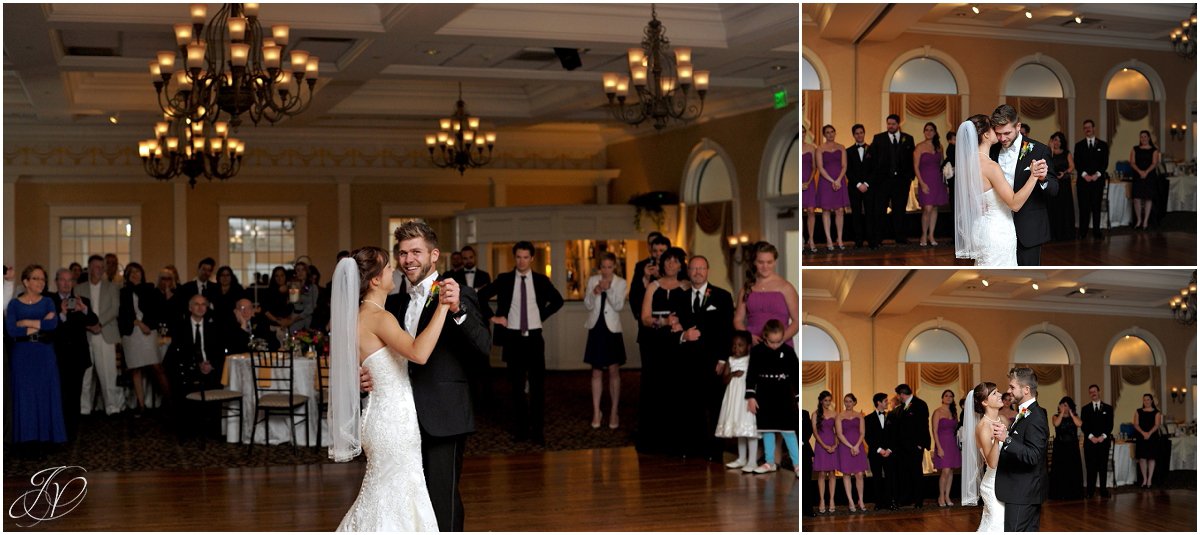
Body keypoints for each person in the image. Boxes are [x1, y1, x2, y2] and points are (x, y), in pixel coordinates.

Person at [363, 221, 490, 532]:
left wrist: (457, 308)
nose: (409, 259)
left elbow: (484, 347)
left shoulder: (458, 293)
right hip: (401, 420)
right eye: (403, 253)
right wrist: (365, 373)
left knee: (441, 502)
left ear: (435, 255)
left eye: (416, 251)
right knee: (409, 502)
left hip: (443, 414)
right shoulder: (394, 302)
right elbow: (386, 354)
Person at [329, 246, 456, 532]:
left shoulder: (357, 317)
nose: (395, 271)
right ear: (375, 280)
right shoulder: (379, 317)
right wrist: (443, 307)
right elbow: (418, 353)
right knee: (395, 495)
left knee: (385, 494)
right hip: (394, 422)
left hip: (378, 418)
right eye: (388, 268)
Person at [478, 241, 564, 446]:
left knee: (537, 388)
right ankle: (521, 430)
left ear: (532, 258)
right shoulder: (505, 280)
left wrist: (540, 315)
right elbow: (481, 296)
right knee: (516, 388)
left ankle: (538, 431)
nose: (522, 261)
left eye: (526, 257)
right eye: (518, 257)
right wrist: (494, 318)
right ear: (514, 258)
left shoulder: (541, 280)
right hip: (513, 338)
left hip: (534, 338)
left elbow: (558, 301)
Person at [953, 114, 1046, 267]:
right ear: (986, 134)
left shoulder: (966, 164)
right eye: (993, 128)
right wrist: (1034, 176)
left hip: (981, 228)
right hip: (997, 231)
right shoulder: (990, 166)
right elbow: (1014, 204)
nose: (997, 132)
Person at [632, 246, 688, 454]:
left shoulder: (686, 287)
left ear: (682, 264)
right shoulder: (653, 287)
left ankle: (677, 438)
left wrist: (680, 324)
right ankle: (653, 438)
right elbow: (644, 318)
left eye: (675, 261)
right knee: (654, 385)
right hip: (654, 342)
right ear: (662, 263)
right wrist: (663, 321)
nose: (671, 264)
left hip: (678, 342)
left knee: (676, 386)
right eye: (668, 260)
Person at [988, 104, 1058, 266]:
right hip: (998, 226)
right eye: (998, 134)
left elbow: (1054, 189)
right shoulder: (991, 150)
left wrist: (1043, 178)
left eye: (1007, 133)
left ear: (1018, 126)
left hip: (1028, 228)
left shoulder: (1039, 150)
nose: (1002, 138)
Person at [6, 265, 67, 445]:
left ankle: (46, 439)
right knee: (24, 396)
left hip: (44, 353)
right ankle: (26, 439)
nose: (41, 282)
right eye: (36, 278)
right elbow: (11, 330)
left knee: (45, 394)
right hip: (22, 355)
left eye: (43, 279)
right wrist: (40, 323)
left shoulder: (48, 302)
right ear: (25, 282)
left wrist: (26, 322)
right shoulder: (14, 304)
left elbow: (53, 325)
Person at [992, 367, 1049, 531]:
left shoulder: (1036, 416)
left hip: (1023, 492)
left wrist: (1007, 439)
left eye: (1012, 387)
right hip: (1020, 490)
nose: (1008, 391)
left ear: (1026, 390)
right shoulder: (1025, 412)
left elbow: (1034, 456)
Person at [45, 268, 96, 441]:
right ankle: (57, 431)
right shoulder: (49, 301)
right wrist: (62, 314)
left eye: (69, 280)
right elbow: (49, 329)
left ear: (73, 283)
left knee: (74, 396)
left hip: (78, 358)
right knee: (58, 394)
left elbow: (94, 322)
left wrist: (84, 310)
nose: (66, 284)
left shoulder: (82, 301)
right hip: (57, 357)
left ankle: (71, 432)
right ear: (56, 281)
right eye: (63, 280)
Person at [746, 319, 799, 478]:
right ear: (764, 337)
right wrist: (751, 397)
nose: (776, 345)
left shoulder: (788, 352)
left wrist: (798, 398)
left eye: (779, 341)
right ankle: (769, 462)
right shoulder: (756, 352)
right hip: (764, 395)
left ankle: (797, 465)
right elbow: (751, 375)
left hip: (783, 395)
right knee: (767, 430)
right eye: (772, 342)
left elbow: (795, 376)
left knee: (788, 431)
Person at [582, 252, 627, 429]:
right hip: (596, 328)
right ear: (599, 267)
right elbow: (587, 305)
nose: (606, 270)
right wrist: (595, 292)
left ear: (614, 266)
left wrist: (608, 289)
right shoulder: (593, 280)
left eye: (609, 267)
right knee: (596, 372)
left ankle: (614, 411)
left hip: (612, 330)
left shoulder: (621, 283)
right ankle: (596, 411)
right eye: (603, 267)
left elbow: (618, 306)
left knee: (614, 371)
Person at [118, 262, 168, 416]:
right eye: (131, 272)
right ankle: (141, 406)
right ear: (127, 275)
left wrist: (146, 325)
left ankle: (170, 401)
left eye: (137, 271)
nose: (134, 274)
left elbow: (157, 311)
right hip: (131, 332)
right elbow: (122, 314)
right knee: (135, 369)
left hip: (148, 331)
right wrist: (137, 323)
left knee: (156, 367)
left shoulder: (150, 289)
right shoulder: (123, 292)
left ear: (142, 273)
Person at [77, 254, 124, 415]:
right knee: (86, 375)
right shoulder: (79, 288)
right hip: (86, 335)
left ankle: (113, 407)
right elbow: (76, 311)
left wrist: (99, 324)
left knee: (108, 374)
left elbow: (114, 309)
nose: (99, 270)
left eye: (101, 267)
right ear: (89, 268)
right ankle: (84, 408)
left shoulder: (111, 287)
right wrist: (89, 325)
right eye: (96, 266)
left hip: (106, 333)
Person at [734, 242, 798, 347]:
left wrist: (777, 341)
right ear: (754, 262)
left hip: (781, 346)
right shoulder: (746, 288)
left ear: (775, 262)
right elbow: (738, 320)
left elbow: (797, 321)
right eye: (761, 262)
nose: (765, 266)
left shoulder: (786, 287)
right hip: (753, 346)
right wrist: (748, 337)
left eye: (769, 262)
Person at [965, 381, 1008, 532]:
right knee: (998, 525)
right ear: (984, 402)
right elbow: (992, 463)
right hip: (993, 484)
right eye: (994, 393)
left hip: (1007, 480)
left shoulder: (1002, 420)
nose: (1000, 395)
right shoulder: (983, 427)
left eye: (998, 392)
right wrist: (997, 439)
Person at [867, 114, 916, 246]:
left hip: (901, 182)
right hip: (883, 182)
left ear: (898, 124)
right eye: (888, 123)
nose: (890, 126)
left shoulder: (908, 139)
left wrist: (910, 177)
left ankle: (900, 237)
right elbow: (872, 159)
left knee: (899, 210)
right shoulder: (878, 139)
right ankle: (878, 238)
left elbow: (912, 159)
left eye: (893, 124)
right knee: (880, 210)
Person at [715, 331, 757, 469]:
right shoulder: (730, 360)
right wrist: (733, 374)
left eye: (740, 345)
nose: (736, 349)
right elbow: (724, 379)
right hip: (733, 397)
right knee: (739, 428)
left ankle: (752, 461)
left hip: (746, 398)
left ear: (748, 346)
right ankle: (741, 458)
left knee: (749, 428)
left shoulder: (751, 360)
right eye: (734, 345)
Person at [892, 383, 930, 508]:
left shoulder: (920, 404)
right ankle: (907, 498)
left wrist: (920, 444)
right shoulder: (901, 407)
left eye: (899, 395)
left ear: (902, 394)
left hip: (915, 447)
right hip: (902, 448)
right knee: (904, 474)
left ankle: (919, 500)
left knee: (916, 473)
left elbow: (923, 425)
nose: (898, 397)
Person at [914, 122, 949, 247]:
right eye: (926, 130)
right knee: (927, 208)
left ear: (935, 132)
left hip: (938, 180)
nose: (928, 132)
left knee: (935, 208)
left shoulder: (939, 146)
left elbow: (942, 164)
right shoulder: (919, 147)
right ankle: (923, 234)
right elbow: (916, 167)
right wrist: (922, 183)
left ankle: (931, 235)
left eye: (931, 130)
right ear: (924, 132)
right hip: (925, 180)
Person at [1074, 120, 1110, 240]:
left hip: (1097, 181)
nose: (1087, 129)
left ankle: (1096, 231)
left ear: (1094, 128)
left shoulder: (1103, 145)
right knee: (1084, 207)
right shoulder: (1079, 145)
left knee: (1096, 207)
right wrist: (1085, 175)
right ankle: (1083, 232)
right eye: (1085, 128)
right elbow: (1077, 162)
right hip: (1083, 182)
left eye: (1089, 127)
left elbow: (1105, 163)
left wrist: (1097, 174)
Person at [815, 124, 849, 251]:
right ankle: (829, 239)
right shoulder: (820, 148)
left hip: (840, 181)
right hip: (826, 181)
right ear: (824, 134)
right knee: (826, 211)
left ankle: (839, 239)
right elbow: (820, 167)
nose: (830, 134)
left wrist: (839, 180)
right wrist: (832, 180)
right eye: (827, 132)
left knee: (840, 210)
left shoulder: (841, 147)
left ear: (835, 133)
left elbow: (844, 165)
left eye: (832, 132)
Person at [835, 393, 868, 513]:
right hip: (845, 447)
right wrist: (850, 446)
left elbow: (862, 433)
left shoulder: (859, 415)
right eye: (845, 401)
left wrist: (857, 446)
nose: (847, 404)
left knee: (859, 474)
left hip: (858, 447)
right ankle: (850, 501)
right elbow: (839, 434)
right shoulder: (839, 416)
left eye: (849, 401)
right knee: (847, 474)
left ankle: (861, 500)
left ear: (854, 402)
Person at [1080, 384, 1113, 498]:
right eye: (1091, 392)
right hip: (1090, 443)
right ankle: (1090, 491)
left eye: (1095, 391)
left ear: (1099, 392)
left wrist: (1102, 436)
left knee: (1103, 467)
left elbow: (1110, 425)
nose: (1093, 393)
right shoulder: (1085, 409)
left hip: (1103, 443)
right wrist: (1091, 437)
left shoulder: (1108, 408)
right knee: (1091, 468)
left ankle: (1103, 491)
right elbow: (1084, 426)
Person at [1048, 396, 1084, 500]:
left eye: (1066, 405)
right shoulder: (1055, 416)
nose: (1064, 407)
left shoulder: (1075, 416)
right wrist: (1062, 413)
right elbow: (1056, 424)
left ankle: (1073, 493)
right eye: (1062, 405)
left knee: (1072, 469)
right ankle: (1059, 494)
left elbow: (1080, 424)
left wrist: (1071, 414)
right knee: (1060, 469)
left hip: (1072, 447)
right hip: (1060, 447)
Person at [863, 392, 894, 510]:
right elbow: (868, 437)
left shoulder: (891, 416)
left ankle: (889, 502)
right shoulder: (868, 418)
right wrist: (880, 450)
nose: (888, 403)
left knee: (890, 477)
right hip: (875, 453)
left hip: (889, 453)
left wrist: (889, 449)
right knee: (877, 478)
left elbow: (894, 435)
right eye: (886, 401)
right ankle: (879, 503)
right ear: (878, 403)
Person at [810, 390, 839, 512]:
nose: (827, 402)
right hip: (821, 445)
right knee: (821, 474)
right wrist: (824, 445)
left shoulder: (835, 414)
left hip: (833, 444)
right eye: (825, 400)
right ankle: (822, 500)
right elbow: (815, 433)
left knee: (832, 473)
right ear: (821, 401)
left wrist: (835, 445)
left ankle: (831, 500)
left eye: (829, 400)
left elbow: (838, 432)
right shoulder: (815, 414)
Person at [846, 123, 874, 248]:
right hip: (854, 187)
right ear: (853, 135)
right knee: (856, 214)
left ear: (864, 133)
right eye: (857, 133)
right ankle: (858, 241)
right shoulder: (848, 151)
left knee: (870, 214)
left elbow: (875, 169)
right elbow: (848, 170)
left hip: (869, 187)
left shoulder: (872, 149)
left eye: (861, 132)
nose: (859, 135)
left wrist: (866, 184)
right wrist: (858, 184)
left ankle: (871, 240)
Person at [932, 389, 961, 507]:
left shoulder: (954, 413)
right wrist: (938, 447)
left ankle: (947, 496)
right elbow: (934, 430)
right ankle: (941, 496)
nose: (949, 398)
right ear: (942, 398)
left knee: (951, 471)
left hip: (952, 444)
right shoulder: (937, 412)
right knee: (945, 471)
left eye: (951, 396)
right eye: (946, 396)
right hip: (942, 443)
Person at [1046, 132, 1076, 241]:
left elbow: (1072, 166)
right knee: (1053, 208)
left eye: (1059, 140)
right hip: (1053, 183)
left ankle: (1065, 233)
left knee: (1064, 208)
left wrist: (1065, 172)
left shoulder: (1066, 153)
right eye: (1055, 140)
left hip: (1064, 183)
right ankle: (1052, 234)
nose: (1057, 142)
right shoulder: (1049, 153)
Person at [1129, 130, 1161, 231]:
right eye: (1141, 137)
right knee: (1136, 199)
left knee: (1148, 198)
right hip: (1138, 176)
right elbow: (1132, 162)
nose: (1143, 138)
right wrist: (1140, 172)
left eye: (1145, 136)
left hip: (1150, 176)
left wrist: (1146, 172)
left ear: (1149, 138)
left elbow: (1154, 163)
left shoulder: (1154, 150)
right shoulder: (1135, 149)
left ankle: (1145, 222)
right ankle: (1138, 220)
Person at [1133, 393, 1163, 488]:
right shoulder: (1138, 411)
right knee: (1142, 458)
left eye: (1148, 399)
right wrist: (1143, 433)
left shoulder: (1157, 412)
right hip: (1141, 437)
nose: (1146, 401)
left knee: (1151, 458)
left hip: (1153, 437)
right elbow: (1136, 424)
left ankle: (1149, 479)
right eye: (1144, 400)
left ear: (1152, 401)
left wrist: (1149, 433)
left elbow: (1157, 425)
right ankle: (1144, 479)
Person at [802, 125, 819, 252]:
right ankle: (801, 239)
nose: (802, 134)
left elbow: (814, 167)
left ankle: (811, 239)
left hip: (809, 182)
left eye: (803, 132)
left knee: (811, 211)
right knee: (799, 213)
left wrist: (808, 182)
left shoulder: (811, 148)